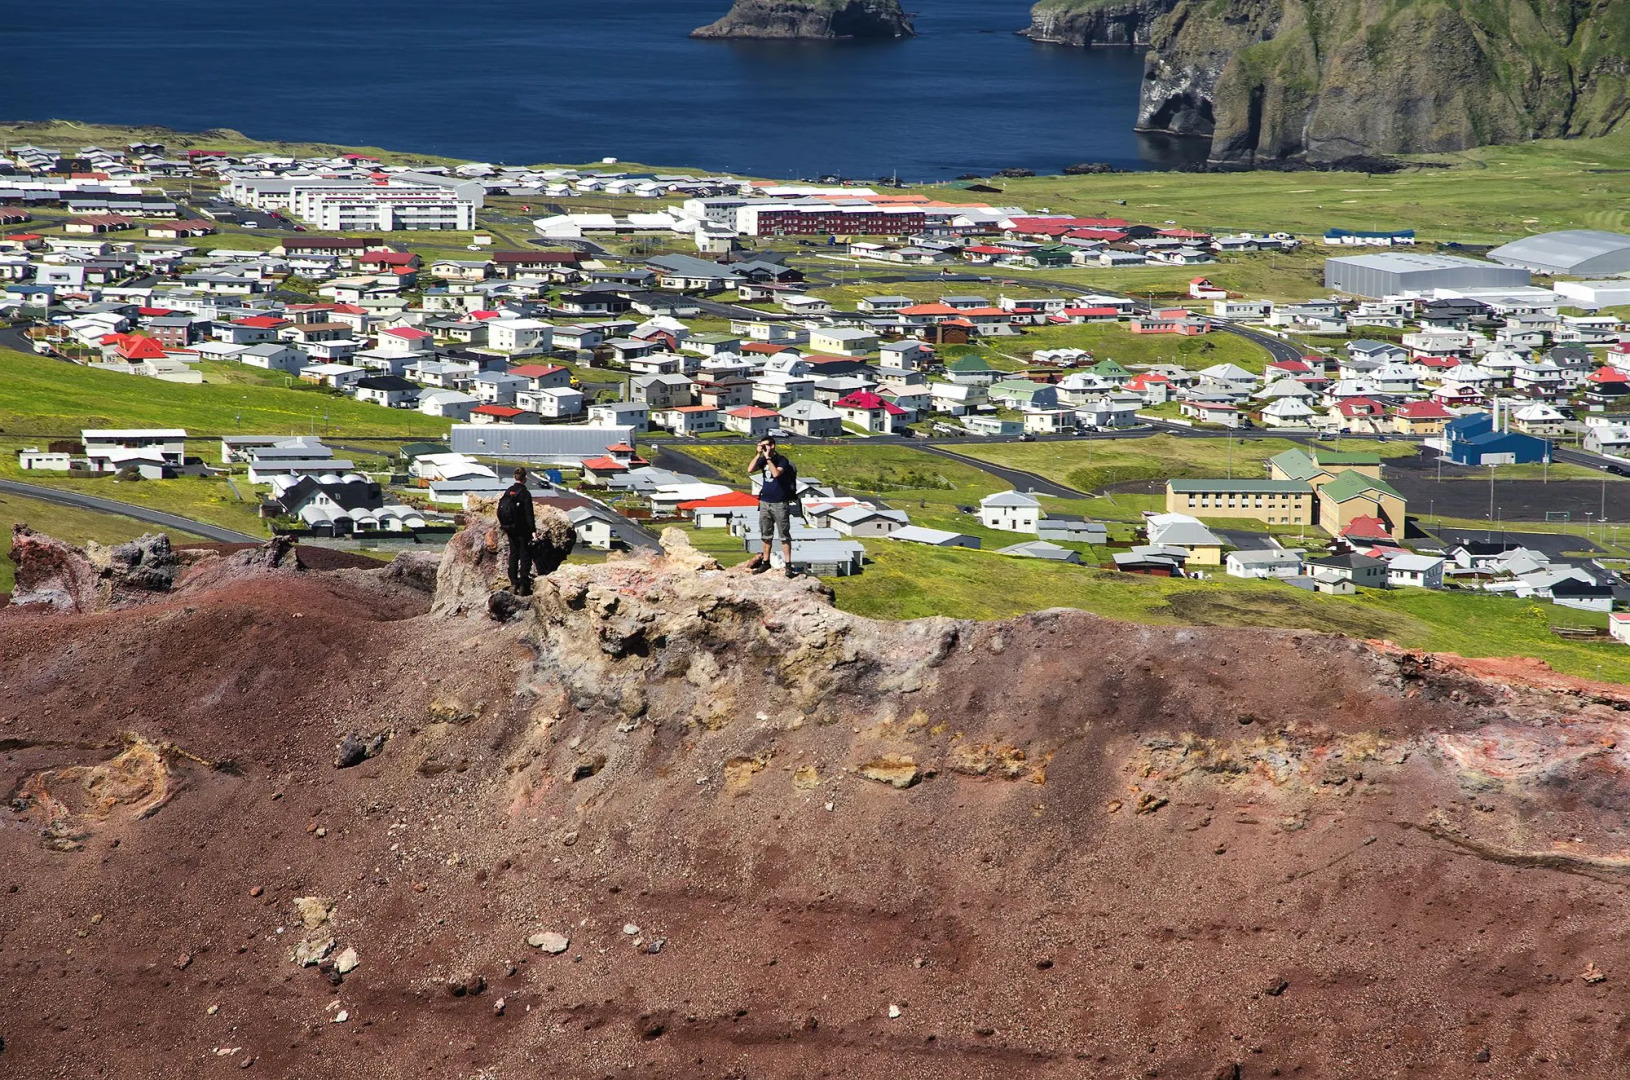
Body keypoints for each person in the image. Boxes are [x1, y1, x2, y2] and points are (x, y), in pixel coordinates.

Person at [743, 436, 796, 578]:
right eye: (763, 445)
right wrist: (758, 454)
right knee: (766, 534)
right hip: (765, 502)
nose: (765, 448)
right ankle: (765, 562)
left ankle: (788, 564)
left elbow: (776, 473)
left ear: (773, 446)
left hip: (780, 502)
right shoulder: (762, 459)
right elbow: (750, 469)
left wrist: (768, 458)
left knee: (784, 535)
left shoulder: (782, 460)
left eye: (766, 445)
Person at [495, 467, 537, 595]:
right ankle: (523, 584)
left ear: (514, 477)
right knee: (525, 555)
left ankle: (513, 582)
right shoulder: (525, 493)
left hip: (510, 528)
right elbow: (529, 514)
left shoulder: (509, 491)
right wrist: (533, 531)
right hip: (522, 530)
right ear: (525, 478)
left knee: (513, 554)